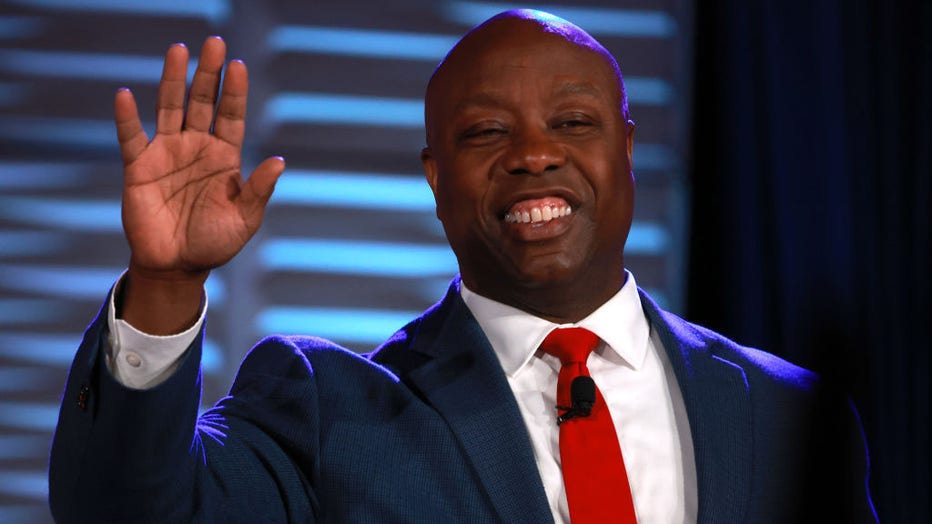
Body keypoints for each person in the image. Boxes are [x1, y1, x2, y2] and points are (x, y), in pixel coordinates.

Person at [48, 9, 877, 523]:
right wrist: (166, 283)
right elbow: (126, 512)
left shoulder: (785, 413)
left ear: (627, 150)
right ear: (436, 178)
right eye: (486, 133)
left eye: (573, 122)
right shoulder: (327, 411)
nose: (534, 154)